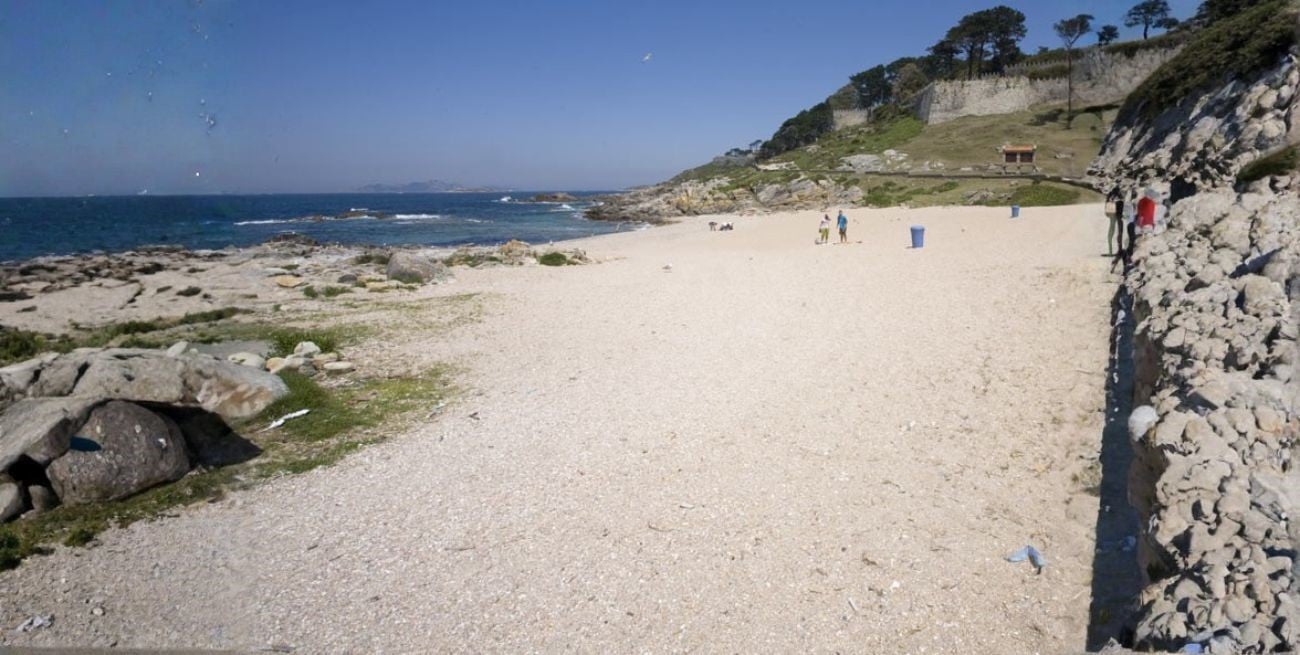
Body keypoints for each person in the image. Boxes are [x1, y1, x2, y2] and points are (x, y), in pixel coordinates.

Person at [1106, 188, 1124, 257]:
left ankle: (1111, 251)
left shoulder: (1111, 194)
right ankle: (1119, 250)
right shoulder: (1120, 194)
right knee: (1119, 233)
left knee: (1111, 233)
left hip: (1113, 214)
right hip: (1119, 215)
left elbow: (1107, 202)